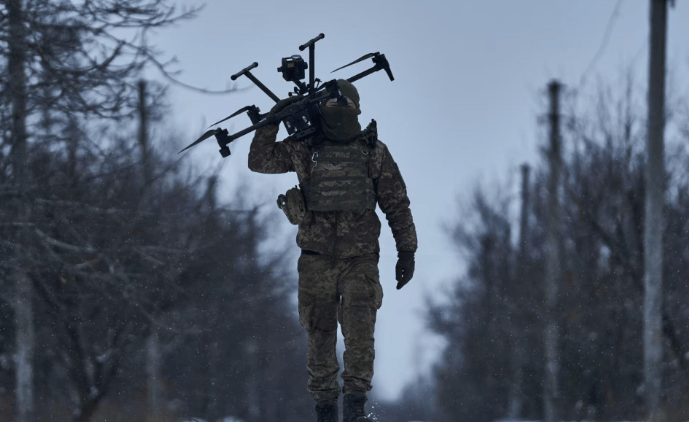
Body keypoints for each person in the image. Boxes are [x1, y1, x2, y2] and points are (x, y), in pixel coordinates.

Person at [248, 79, 417, 422]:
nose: (339, 115)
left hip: (360, 258)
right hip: (316, 257)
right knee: (319, 332)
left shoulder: (373, 151)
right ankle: (325, 409)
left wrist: (407, 251)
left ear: (356, 111)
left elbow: (396, 204)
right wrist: (271, 123)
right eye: (333, 108)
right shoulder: (303, 147)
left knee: (359, 329)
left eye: (345, 109)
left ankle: (354, 407)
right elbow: (260, 161)